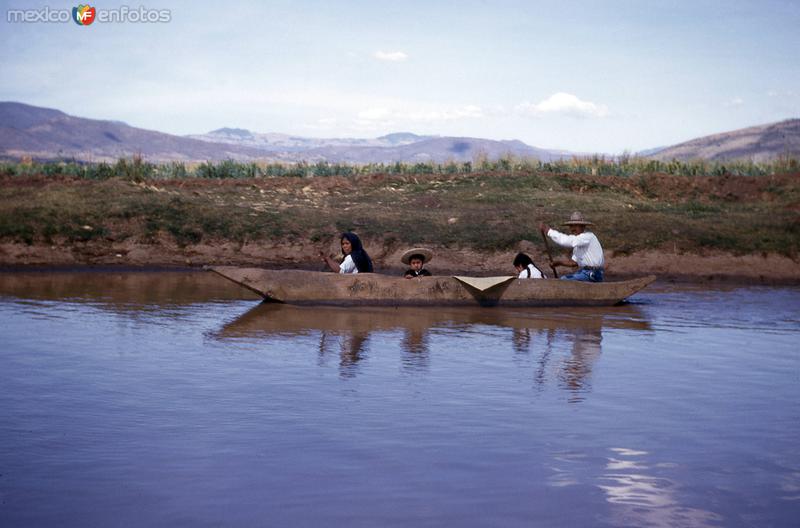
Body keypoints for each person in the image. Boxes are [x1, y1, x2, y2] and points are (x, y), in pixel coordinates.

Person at [539, 212, 604, 282]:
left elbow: (567, 241)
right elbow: (574, 263)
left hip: (593, 273)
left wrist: (549, 231)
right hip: (585, 272)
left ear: (583, 227)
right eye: (571, 226)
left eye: (576, 226)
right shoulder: (578, 244)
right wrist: (558, 263)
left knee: (564, 280)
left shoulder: (588, 237)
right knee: (563, 279)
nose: (573, 229)